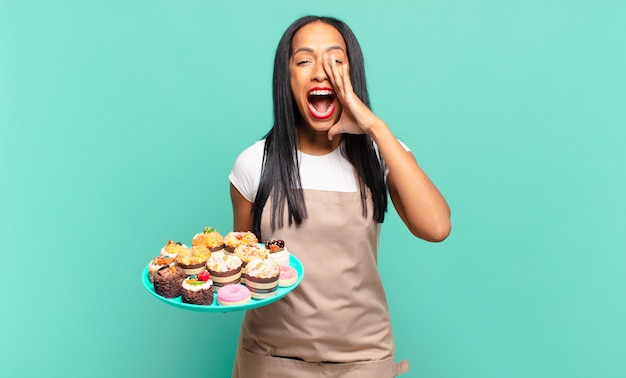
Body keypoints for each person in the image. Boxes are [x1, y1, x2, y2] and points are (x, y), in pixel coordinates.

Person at [228, 15, 451, 378]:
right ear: (286, 78)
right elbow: (241, 267)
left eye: (335, 60)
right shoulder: (254, 163)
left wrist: (375, 127)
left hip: (364, 361)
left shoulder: (382, 154)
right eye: (304, 60)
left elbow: (437, 226)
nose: (320, 73)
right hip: (271, 361)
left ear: (353, 74)